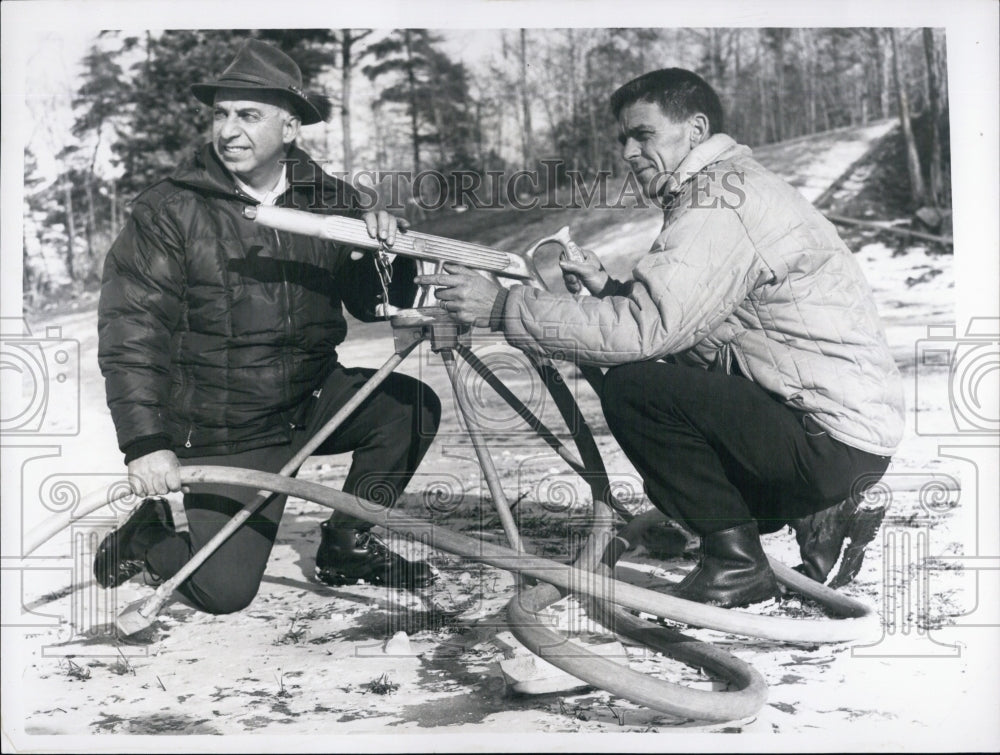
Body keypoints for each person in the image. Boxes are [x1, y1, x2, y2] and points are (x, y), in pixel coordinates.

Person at [417, 68, 905, 608]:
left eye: (643, 135)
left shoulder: (722, 200)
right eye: (623, 138)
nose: (628, 151)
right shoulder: (730, 186)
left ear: (695, 130)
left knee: (635, 390)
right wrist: (610, 289)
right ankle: (815, 510)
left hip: (827, 439)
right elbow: (699, 327)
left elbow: (644, 331)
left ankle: (738, 564)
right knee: (668, 467)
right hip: (840, 436)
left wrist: (505, 306)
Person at [95, 39, 441, 615]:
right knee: (223, 593)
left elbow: (374, 305)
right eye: (220, 114)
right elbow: (131, 329)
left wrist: (388, 251)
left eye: (248, 115)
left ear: (290, 127)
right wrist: (145, 444)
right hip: (227, 427)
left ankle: (348, 544)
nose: (229, 130)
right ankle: (149, 536)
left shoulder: (331, 200)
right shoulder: (170, 209)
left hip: (310, 398)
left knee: (409, 407)